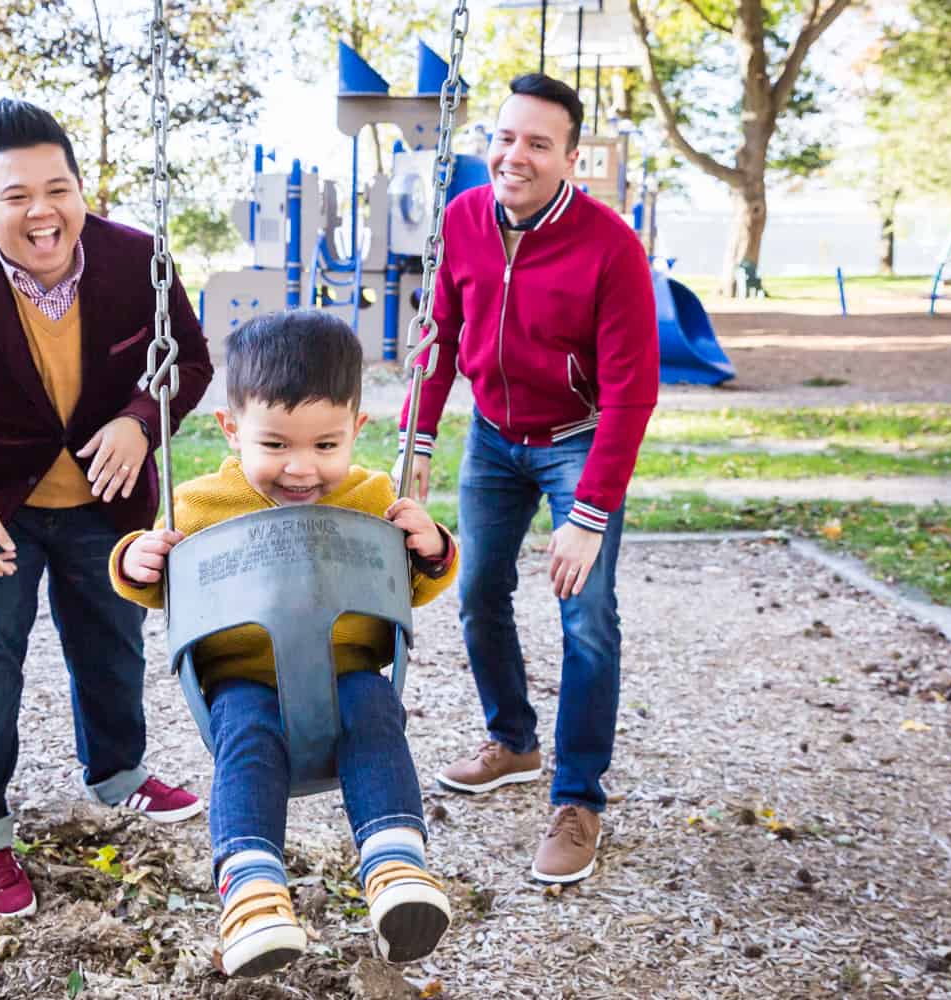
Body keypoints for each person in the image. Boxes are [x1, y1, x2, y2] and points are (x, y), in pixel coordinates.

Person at [0, 98, 213, 918]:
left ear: (81, 191)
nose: (42, 211)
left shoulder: (139, 261)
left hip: (102, 496)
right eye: (17, 194)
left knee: (111, 637)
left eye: (58, 188)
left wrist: (139, 422)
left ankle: (117, 774)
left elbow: (187, 362)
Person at [111, 311, 457, 977]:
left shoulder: (374, 497)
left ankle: (395, 867)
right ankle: (252, 892)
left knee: (378, 714)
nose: (302, 469)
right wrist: (138, 560)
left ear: (358, 430)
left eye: (327, 446)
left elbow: (411, 584)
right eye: (275, 446)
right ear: (231, 428)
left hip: (348, 668)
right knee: (245, 737)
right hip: (246, 679)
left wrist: (433, 546)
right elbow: (155, 584)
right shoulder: (198, 504)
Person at [396, 74, 659, 885]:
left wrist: (587, 514)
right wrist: (419, 441)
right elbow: (438, 336)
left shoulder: (611, 246)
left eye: (538, 144)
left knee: (586, 614)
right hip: (494, 439)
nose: (515, 156)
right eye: (505, 138)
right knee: (477, 591)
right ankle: (513, 741)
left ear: (571, 158)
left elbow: (631, 394)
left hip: (577, 440)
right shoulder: (463, 219)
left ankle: (579, 799)